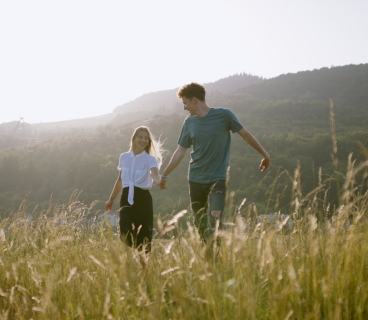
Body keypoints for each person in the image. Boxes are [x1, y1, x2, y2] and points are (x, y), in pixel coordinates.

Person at [159, 82, 270, 243]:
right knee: (200, 223)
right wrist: (165, 174)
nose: (184, 108)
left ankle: (217, 255)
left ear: (195, 100)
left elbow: (245, 134)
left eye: (185, 103)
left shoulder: (225, 115)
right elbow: (180, 152)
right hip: (195, 180)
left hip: (218, 177)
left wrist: (265, 154)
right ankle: (211, 256)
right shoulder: (189, 123)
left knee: (215, 217)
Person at [105, 126, 163, 254]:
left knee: (144, 236)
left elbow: (155, 174)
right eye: (140, 137)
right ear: (134, 138)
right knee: (125, 234)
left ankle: (144, 265)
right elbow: (120, 180)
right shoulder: (124, 157)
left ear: (148, 142)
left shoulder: (150, 159)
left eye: (146, 138)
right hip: (126, 198)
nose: (143, 140)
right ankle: (138, 254)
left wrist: (159, 181)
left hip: (143, 199)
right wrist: (111, 199)